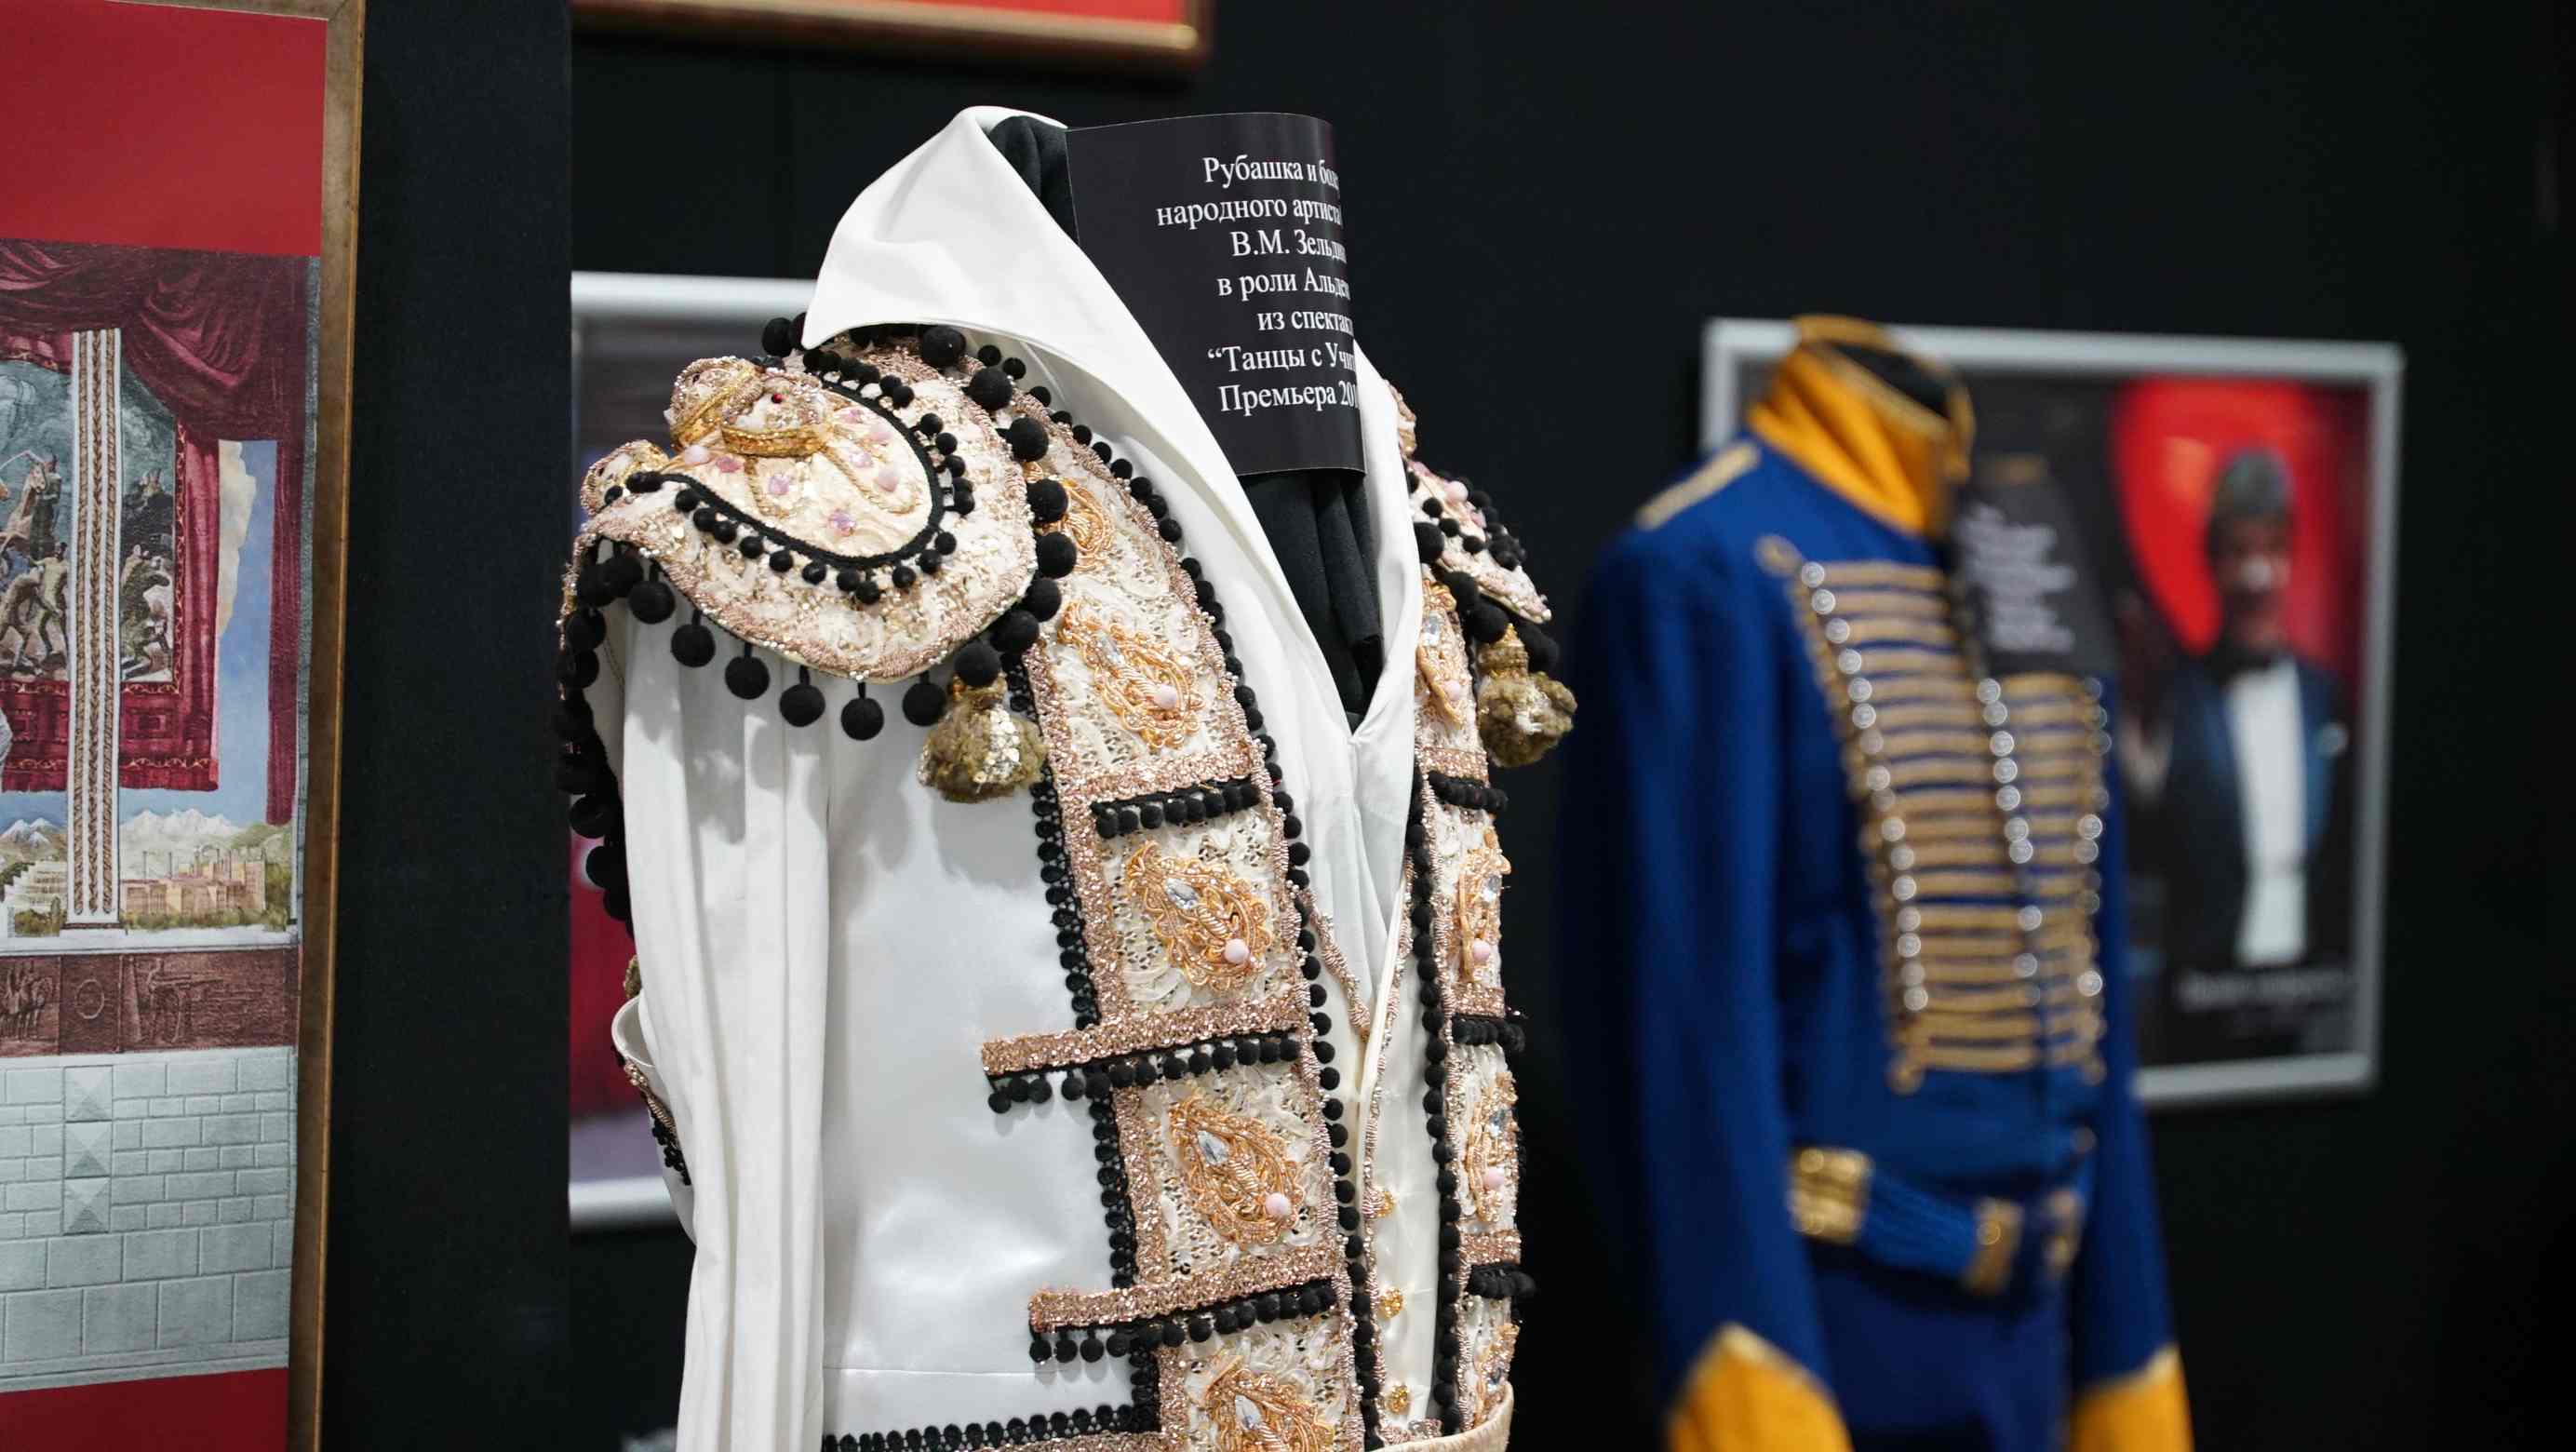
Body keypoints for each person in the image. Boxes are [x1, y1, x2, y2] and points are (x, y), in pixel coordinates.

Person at [2126, 449, 2352, 982]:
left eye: (2272, 550)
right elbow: (2144, 830)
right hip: (2205, 982)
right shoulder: (2179, 696)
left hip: (2313, 980)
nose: (2257, 575)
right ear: (2212, 560)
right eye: (2239, 552)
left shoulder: (2327, 698)